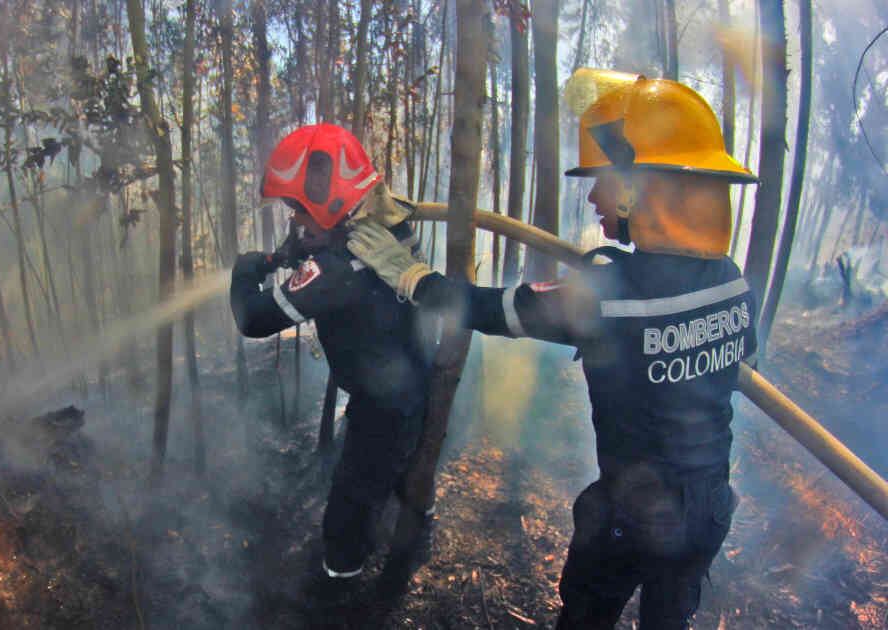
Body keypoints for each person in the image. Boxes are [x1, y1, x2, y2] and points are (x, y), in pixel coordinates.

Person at [346, 69, 759, 628]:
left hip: (631, 513)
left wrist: (407, 272)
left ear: (640, 187)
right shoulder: (730, 279)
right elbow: (739, 363)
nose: (593, 195)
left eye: (605, 181)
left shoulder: (610, 290)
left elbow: (487, 311)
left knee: (586, 615)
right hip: (711, 507)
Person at [229, 123, 433, 597]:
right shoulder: (384, 227)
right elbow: (313, 247)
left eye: (301, 207)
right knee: (401, 467)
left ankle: (341, 585)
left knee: (351, 501)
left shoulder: (341, 268)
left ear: (333, 199)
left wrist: (244, 275)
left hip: (384, 403)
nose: (296, 218)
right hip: (405, 381)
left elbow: (253, 319)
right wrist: (280, 255)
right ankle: (414, 523)